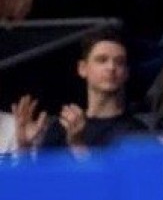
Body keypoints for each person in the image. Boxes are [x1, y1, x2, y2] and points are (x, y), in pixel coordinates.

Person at [14, 35, 149, 154]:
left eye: (119, 62)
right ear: (82, 68)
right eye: (102, 60)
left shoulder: (137, 133)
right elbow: (40, 175)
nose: (111, 67)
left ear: (126, 73)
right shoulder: (61, 127)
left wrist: (77, 144)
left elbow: (117, 176)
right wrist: (24, 147)